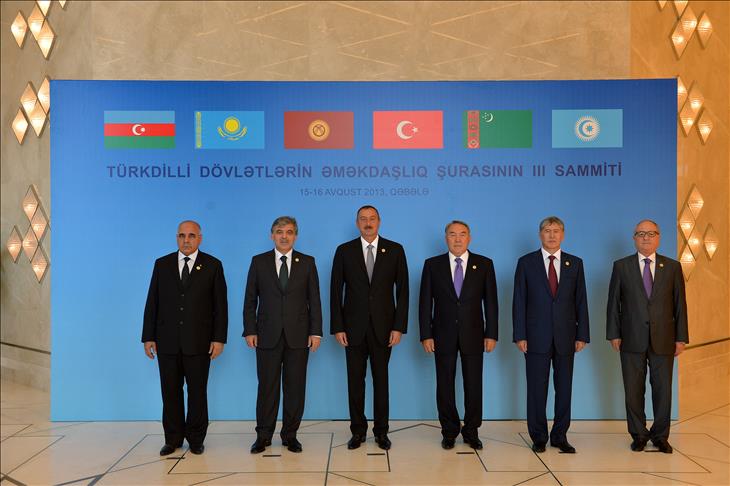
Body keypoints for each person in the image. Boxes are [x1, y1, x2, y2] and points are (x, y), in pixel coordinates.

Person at [142, 220, 228, 456]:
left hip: (199, 342)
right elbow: (152, 302)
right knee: (170, 392)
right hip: (167, 341)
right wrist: (148, 336)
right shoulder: (162, 264)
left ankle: (196, 439)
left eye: (191, 235)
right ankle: (173, 439)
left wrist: (218, 338)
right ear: (176, 238)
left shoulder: (213, 265)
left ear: (199, 238)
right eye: (182, 235)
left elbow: (220, 306)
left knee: (197, 392)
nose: (186, 240)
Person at [607, 219, 688, 454]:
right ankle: (639, 434)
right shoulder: (621, 266)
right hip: (630, 337)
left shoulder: (672, 267)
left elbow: (680, 305)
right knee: (633, 389)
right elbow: (613, 303)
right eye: (641, 234)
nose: (646, 238)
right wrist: (613, 334)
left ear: (659, 237)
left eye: (651, 233)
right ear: (634, 238)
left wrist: (681, 337)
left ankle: (661, 436)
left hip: (664, 338)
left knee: (663, 390)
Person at [330, 205, 409, 450]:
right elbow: (335, 291)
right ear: (357, 223)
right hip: (352, 329)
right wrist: (338, 327)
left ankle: (382, 432)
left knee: (381, 381)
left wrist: (398, 327)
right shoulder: (344, 251)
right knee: (355, 382)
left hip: (384, 329)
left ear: (379, 221)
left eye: (372, 218)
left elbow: (403, 291)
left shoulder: (395, 250)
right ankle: (358, 431)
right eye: (363, 219)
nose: (368, 223)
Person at [243, 216, 323, 454]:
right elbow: (250, 299)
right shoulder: (259, 262)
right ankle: (263, 436)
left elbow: (314, 300)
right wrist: (250, 329)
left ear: (295, 236)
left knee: (295, 388)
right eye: (279, 232)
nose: (284, 236)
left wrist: (316, 332)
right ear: (272, 235)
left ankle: (290, 435)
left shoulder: (307, 262)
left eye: (289, 232)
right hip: (266, 335)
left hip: (299, 335)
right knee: (267, 388)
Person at [512, 216, 589, 454]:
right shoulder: (526, 263)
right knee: (537, 389)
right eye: (547, 230)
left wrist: (582, 335)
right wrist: (520, 335)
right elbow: (519, 301)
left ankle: (560, 435)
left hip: (567, 337)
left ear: (563, 235)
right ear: (540, 234)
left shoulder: (575, 263)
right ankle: (538, 436)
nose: (552, 235)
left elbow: (581, 301)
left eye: (556, 231)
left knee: (564, 389)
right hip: (535, 337)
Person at [419, 220, 498, 450]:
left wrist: (491, 334)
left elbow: (491, 303)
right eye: (452, 234)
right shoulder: (432, 265)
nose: (457, 239)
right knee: (444, 385)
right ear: (446, 238)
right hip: (441, 335)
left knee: (473, 384)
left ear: (469, 238)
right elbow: (425, 303)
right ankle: (449, 431)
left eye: (462, 234)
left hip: (474, 334)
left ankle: (472, 431)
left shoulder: (484, 264)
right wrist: (426, 334)